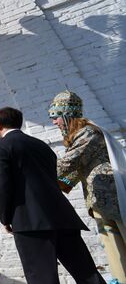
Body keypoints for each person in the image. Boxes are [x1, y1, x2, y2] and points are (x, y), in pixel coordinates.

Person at [0, 106, 105, 283]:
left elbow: (2, 184)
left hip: (30, 221)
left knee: (42, 278)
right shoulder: (41, 145)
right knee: (87, 274)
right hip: (63, 216)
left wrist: (5, 217)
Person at [49, 90, 126, 283]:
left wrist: (38, 175)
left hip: (114, 198)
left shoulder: (88, 133)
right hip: (100, 202)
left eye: (56, 117)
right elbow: (73, 175)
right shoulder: (79, 136)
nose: (54, 122)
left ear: (67, 115)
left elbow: (68, 164)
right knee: (113, 247)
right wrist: (53, 187)